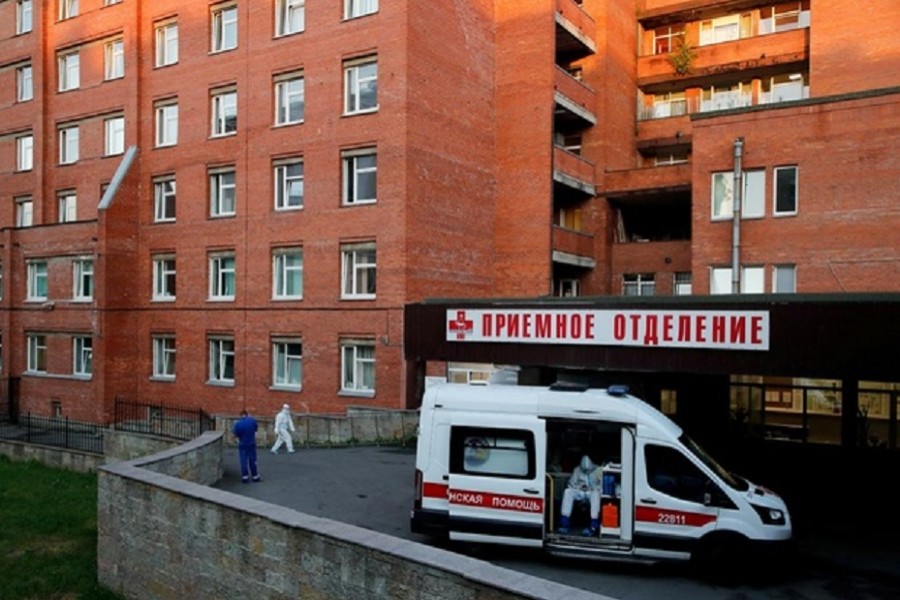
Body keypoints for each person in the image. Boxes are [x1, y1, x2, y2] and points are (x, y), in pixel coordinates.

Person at [559, 455, 601, 536]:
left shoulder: (599, 470)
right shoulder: (577, 470)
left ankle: (593, 525)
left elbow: (602, 485)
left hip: (592, 492)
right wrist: (579, 487)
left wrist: (593, 488)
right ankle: (564, 522)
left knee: (595, 495)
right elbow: (571, 484)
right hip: (580, 491)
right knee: (568, 492)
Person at [232, 410, 261, 483]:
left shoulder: (238, 424)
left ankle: (245, 477)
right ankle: (255, 476)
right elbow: (255, 429)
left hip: (242, 444)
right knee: (252, 460)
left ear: (240, 415)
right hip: (251, 443)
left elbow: (235, 435)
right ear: (247, 414)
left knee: (243, 461)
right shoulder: (252, 420)